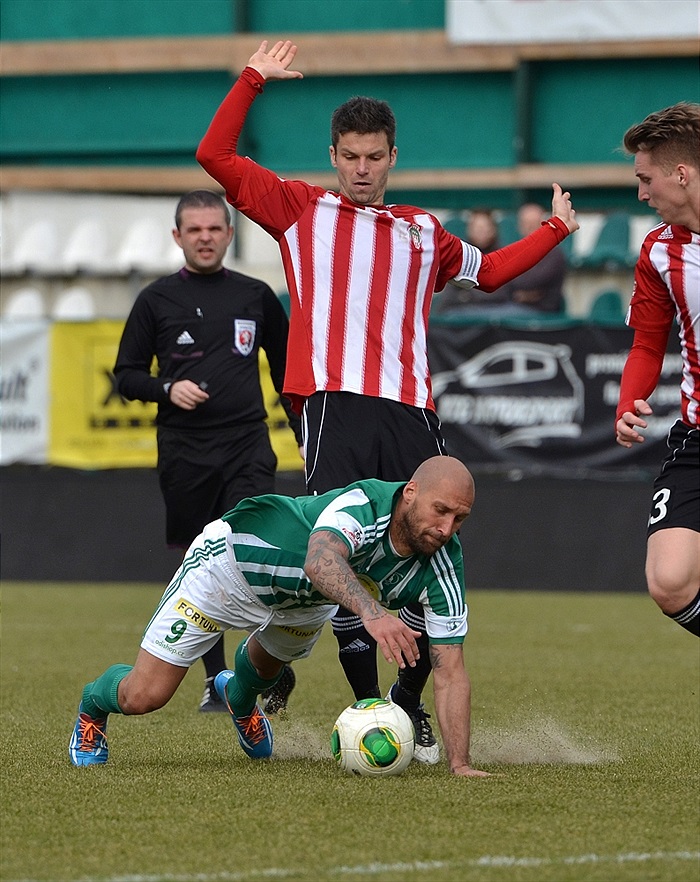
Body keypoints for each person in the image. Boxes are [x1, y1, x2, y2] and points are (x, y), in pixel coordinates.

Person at [195, 39, 579, 760]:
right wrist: (251, 79)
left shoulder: (421, 232)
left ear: (392, 156)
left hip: (409, 408)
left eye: (374, 157)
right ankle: (366, 703)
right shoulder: (299, 210)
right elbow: (214, 157)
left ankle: (407, 705)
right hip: (334, 403)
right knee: (343, 548)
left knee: (432, 548)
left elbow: (492, 271)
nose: (362, 169)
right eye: (350, 156)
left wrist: (555, 229)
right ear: (334, 156)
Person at [68, 456, 489, 778]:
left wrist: (460, 764)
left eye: (460, 518)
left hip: (304, 602)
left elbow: (450, 670)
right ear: (411, 492)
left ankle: (239, 697)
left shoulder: (444, 564)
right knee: (143, 697)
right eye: (441, 511)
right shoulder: (365, 504)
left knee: (265, 671)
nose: (447, 528)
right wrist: (374, 614)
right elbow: (321, 560)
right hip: (227, 569)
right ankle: (92, 706)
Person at [113, 189, 303, 711]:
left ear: (230, 234)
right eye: (194, 229)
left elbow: (288, 372)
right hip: (184, 451)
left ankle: (266, 665)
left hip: (247, 444)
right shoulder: (155, 300)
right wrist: (166, 389)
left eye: (214, 228)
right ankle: (217, 680)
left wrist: (304, 429)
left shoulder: (256, 295)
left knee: (258, 551)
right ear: (178, 236)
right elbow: (126, 375)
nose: (204, 237)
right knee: (202, 563)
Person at [614, 102, 700, 638]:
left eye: (647, 180)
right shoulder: (658, 250)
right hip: (697, 434)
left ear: (681, 174)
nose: (641, 193)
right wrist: (628, 402)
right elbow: (648, 344)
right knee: (669, 581)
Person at [434, 210, 510, 314]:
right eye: (476, 228)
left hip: (499, 310)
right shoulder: (460, 255)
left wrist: (468, 296)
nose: (481, 231)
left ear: (493, 230)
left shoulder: (503, 255)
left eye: (485, 227)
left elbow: (504, 293)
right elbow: (449, 295)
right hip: (463, 310)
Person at [500, 203, 568, 314]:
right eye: (525, 224)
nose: (529, 228)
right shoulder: (516, 250)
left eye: (534, 224)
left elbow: (531, 281)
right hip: (512, 305)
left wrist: (511, 278)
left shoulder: (554, 253)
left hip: (541, 310)